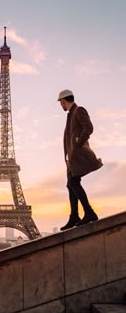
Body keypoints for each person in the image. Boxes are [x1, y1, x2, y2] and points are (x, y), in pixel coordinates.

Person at [58, 89, 103, 230]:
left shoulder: (78, 111)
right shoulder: (71, 115)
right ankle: (74, 216)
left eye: (61, 103)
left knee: (73, 183)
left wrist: (78, 142)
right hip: (72, 158)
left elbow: (88, 128)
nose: (61, 106)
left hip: (78, 156)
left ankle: (89, 212)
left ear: (64, 101)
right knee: (71, 184)